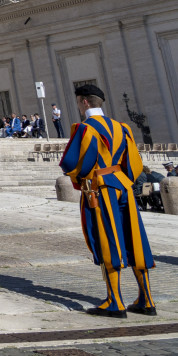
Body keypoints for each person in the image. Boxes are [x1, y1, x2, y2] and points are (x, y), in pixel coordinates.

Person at [60, 83, 155, 317]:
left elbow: (71, 163)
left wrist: (80, 178)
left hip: (100, 189)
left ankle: (115, 302)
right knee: (134, 239)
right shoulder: (122, 128)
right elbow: (134, 163)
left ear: (84, 102)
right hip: (122, 185)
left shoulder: (85, 129)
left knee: (107, 238)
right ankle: (147, 299)